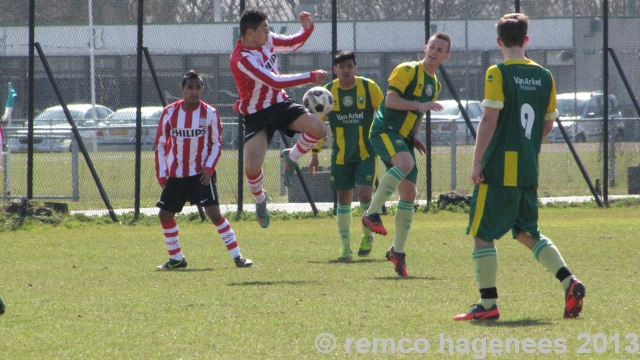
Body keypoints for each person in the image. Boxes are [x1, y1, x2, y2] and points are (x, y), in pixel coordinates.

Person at [453, 13, 585, 321]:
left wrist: (476, 162)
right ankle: (569, 281)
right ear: (526, 40)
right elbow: (548, 124)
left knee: (482, 232)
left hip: (499, 166)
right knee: (527, 231)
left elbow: (489, 120)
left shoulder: (497, 72)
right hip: (527, 166)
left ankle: (487, 305)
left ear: (499, 42)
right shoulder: (544, 75)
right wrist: (525, 146)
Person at [361, 33, 451, 277]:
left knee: (409, 193)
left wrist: (414, 136)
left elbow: (418, 115)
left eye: (439, 49)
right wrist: (421, 106)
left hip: (402, 137)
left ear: (446, 56)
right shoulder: (407, 70)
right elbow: (390, 101)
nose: (434, 51)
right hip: (384, 130)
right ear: (425, 48)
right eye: (431, 46)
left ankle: (397, 252)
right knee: (405, 162)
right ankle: (371, 213)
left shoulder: (436, 84)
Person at [230, 9, 328, 229]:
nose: (268, 32)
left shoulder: (267, 39)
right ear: (249, 32)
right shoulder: (241, 59)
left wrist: (307, 29)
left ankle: (290, 158)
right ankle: (260, 200)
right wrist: (310, 76)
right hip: (256, 114)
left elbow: (293, 43)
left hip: (279, 104)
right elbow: (273, 80)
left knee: (317, 129)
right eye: (264, 29)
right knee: (253, 166)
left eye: (267, 27)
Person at [154, 70, 252, 270]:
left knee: (214, 214)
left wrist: (209, 169)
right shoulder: (170, 112)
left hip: (201, 175)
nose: (194, 91)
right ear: (182, 89)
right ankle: (177, 259)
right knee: (165, 215)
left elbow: (217, 143)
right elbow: (161, 143)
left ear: (202, 90)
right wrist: (162, 173)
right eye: (189, 87)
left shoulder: (210, 113)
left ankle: (238, 257)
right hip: (177, 175)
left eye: (198, 87)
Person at [309, 51, 384, 261]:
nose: (345, 71)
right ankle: (345, 249)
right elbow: (317, 125)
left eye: (349, 66)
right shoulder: (327, 92)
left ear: (356, 69)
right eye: (341, 67)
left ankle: (368, 237)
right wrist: (315, 154)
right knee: (343, 200)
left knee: (365, 194)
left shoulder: (369, 87)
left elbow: (385, 115)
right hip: (340, 155)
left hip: (366, 153)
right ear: (335, 70)